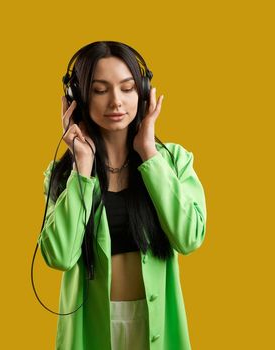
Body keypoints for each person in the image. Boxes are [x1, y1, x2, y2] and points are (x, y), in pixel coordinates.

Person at [38, 41, 207, 350]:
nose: (116, 101)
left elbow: (190, 238)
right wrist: (83, 168)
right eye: (101, 90)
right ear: (77, 98)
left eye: (127, 88)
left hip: (157, 327)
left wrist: (149, 154)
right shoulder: (63, 175)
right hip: (91, 330)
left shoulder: (174, 162)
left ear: (142, 92)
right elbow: (59, 257)